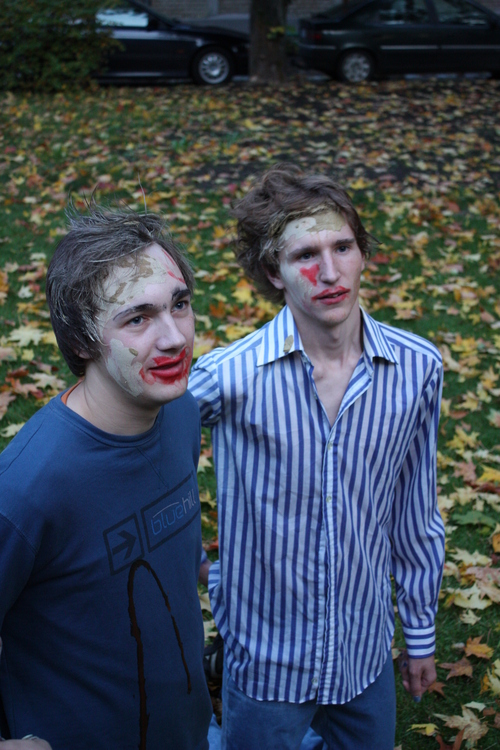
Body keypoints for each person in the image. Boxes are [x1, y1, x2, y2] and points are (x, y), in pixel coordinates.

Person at [189, 164, 445, 750]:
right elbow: (142, 447)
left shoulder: (417, 369)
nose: (329, 273)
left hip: (363, 652)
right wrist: (195, 562)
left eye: (343, 247)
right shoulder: (228, 376)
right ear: (272, 272)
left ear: (362, 254)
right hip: (266, 659)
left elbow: (415, 512)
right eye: (305, 254)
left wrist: (420, 635)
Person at [0, 205, 214, 750]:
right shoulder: (26, 489)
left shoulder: (181, 410)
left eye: (180, 304)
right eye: (137, 318)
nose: (174, 338)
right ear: (81, 340)